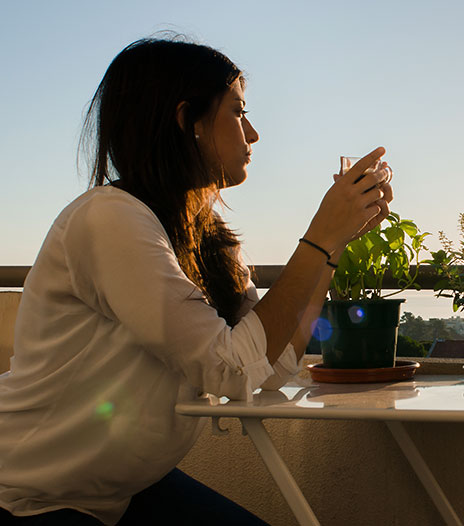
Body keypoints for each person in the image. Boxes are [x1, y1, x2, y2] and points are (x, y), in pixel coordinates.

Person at [0, 37, 393, 525]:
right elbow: (231, 368)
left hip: (119, 490)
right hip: (29, 494)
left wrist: (333, 244)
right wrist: (316, 237)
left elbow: (267, 368)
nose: (253, 134)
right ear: (188, 121)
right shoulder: (110, 220)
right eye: (237, 112)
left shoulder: (203, 235)